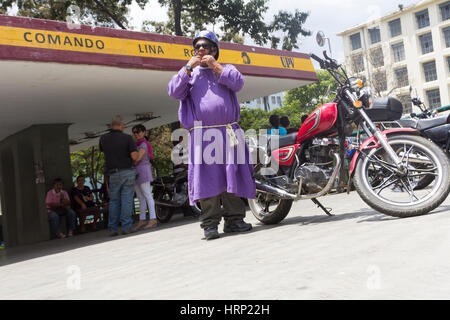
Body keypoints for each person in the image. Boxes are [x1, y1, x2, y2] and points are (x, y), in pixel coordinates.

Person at [168, 30, 255, 240]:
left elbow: (238, 83)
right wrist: (188, 66)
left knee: (231, 175)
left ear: (214, 49)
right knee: (206, 180)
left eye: (205, 46)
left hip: (228, 132)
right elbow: (173, 91)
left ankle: (235, 221)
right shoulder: (189, 75)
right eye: (197, 47)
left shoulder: (225, 70)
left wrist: (216, 67)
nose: (200, 50)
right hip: (202, 136)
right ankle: (210, 224)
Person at [99, 115, 140, 236]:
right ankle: (126, 227)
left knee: (114, 201)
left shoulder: (103, 138)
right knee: (127, 199)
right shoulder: (127, 138)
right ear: (122, 125)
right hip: (127, 171)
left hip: (113, 173)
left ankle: (113, 228)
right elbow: (134, 156)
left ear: (111, 126)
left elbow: (103, 151)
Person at [131, 124, 158, 231]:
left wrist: (131, 161)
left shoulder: (143, 144)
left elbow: (137, 159)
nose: (136, 134)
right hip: (137, 172)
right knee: (141, 197)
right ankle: (142, 220)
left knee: (147, 195)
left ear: (144, 132)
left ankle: (153, 219)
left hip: (143, 171)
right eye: (134, 132)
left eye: (138, 131)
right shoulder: (137, 144)